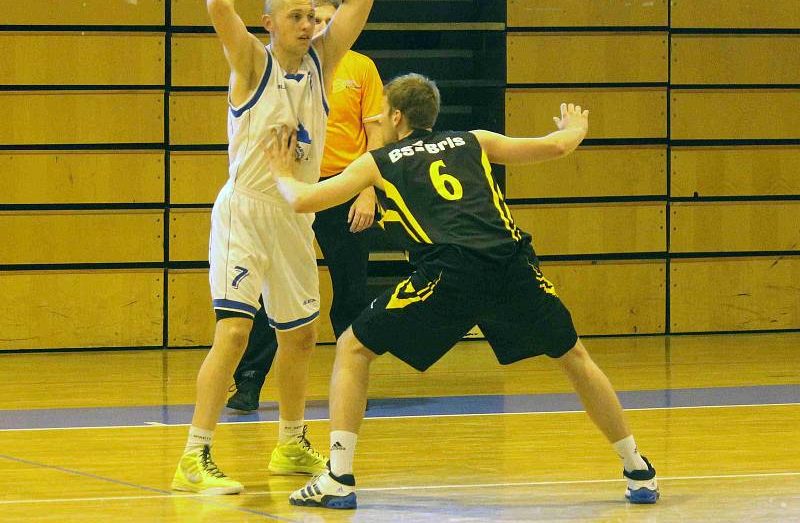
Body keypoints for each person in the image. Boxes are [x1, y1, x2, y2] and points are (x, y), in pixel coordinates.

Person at [263, 73, 660, 509]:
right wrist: (576, 128)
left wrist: (282, 171)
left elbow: (303, 200)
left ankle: (339, 477)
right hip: (511, 265)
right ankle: (637, 468)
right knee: (575, 358)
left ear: (397, 116)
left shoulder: (378, 160)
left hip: (450, 270)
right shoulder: (475, 139)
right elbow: (556, 146)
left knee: (353, 347)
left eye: (383, 112)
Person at [170, 0, 373, 495]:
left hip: (293, 214)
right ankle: (195, 454)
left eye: (312, 16)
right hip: (246, 212)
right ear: (269, 23)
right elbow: (217, 3)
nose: (308, 24)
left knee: (302, 336)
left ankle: (290, 441)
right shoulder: (252, 62)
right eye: (297, 16)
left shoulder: (323, 63)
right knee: (234, 332)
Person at [227, 0, 384, 413]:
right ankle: (249, 380)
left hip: (344, 189)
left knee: (350, 293)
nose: (317, 27)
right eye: (311, 19)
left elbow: (376, 131)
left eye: (323, 19)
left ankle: (352, 383)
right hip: (286, 193)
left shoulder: (357, 66)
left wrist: (368, 188)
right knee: (265, 295)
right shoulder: (291, 63)